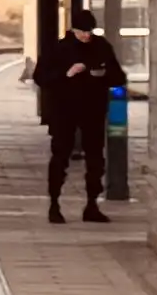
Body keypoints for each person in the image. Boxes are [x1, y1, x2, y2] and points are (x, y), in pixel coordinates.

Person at [42, 18, 123, 224]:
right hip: (64, 111)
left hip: (93, 111)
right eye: (82, 32)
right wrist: (67, 74)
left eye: (89, 32)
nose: (86, 36)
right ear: (73, 30)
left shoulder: (101, 46)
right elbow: (41, 77)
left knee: (96, 159)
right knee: (60, 156)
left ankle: (92, 204)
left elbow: (118, 77)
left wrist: (101, 73)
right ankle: (54, 204)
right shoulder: (59, 49)